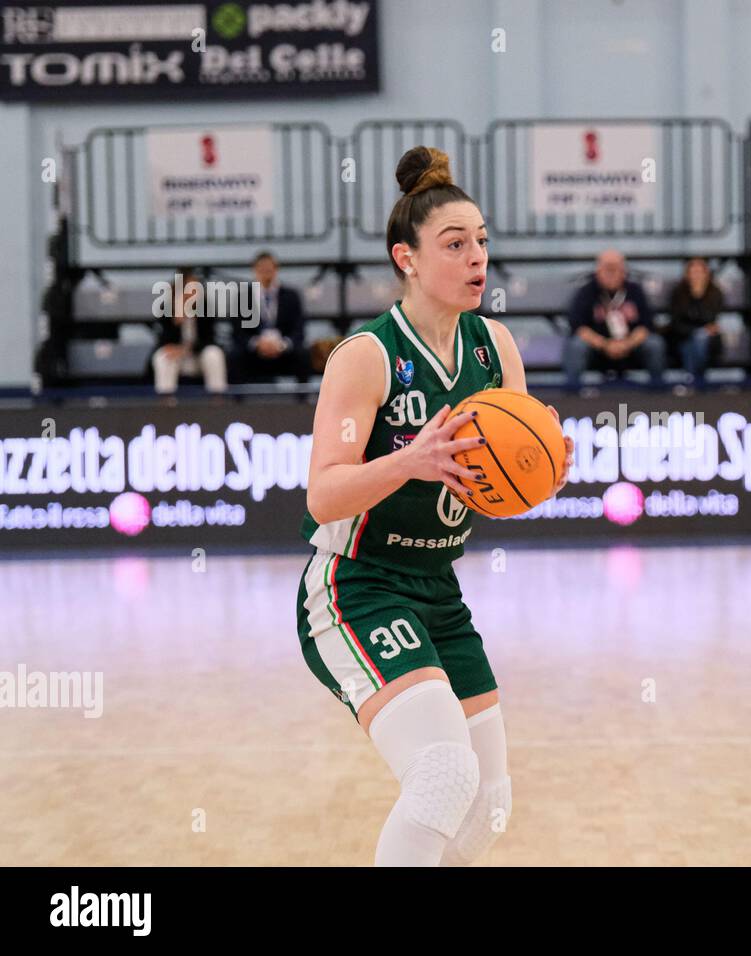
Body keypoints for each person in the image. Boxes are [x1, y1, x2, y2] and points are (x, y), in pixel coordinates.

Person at [296, 146, 573, 867]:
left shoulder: (495, 347)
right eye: (455, 244)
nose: (477, 256)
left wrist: (543, 473)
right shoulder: (368, 355)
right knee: (444, 774)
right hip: (356, 586)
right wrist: (411, 459)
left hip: (438, 590)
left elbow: (503, 491)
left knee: (490, 802)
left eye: (481, 240)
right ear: (408, 258)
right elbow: (323, 493)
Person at [563, 249, 666, 391]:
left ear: (624, 271)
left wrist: (626, 344)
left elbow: (646, 325)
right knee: (576, 345)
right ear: (598, 270)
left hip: (631, 348)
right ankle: (572, 394)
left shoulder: (635, 290)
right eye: (607, 269)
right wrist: (605, 345)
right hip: (597, 350)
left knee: (654, 344)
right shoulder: (586, 292)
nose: (611, 273)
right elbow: (578, 327)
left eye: (615, 268)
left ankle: (659, 392)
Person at [230, 250, 312, 384]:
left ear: (276, 269)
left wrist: (282, 344)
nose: (266, 272)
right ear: (255, 270)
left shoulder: (291, 296)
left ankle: (303, 399)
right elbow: (238, 332)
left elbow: (299, 329)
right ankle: (236, 401)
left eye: (269, 268)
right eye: (262, 268)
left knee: (303, 354)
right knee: (234, 355)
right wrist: (258, 344)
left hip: (283, 349)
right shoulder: (243, 297)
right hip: (255, 351)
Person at [150, 267, 227, 395]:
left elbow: (210, 339)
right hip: (177, 359)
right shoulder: (166, 307)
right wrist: (177, 323)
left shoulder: (206, 307)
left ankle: (217, 399)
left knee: (214, 354)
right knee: (163, 357)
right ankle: (166, 402)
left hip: (198, 356)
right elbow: (163, 340)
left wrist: (186, 349)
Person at [667, 257, 724, 386]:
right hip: (682, 337)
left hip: (709, 342)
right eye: (693, 272)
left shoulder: (715, 293)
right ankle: (696, 381)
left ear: (707, 274)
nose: (696, 276)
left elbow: (710, 318)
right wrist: (696, 330)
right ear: (687, 275)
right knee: (692, 342)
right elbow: (676, 322)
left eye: (700, 272)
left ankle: (693, 380)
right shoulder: (678, 293)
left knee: (701, 339)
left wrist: (698, 296)